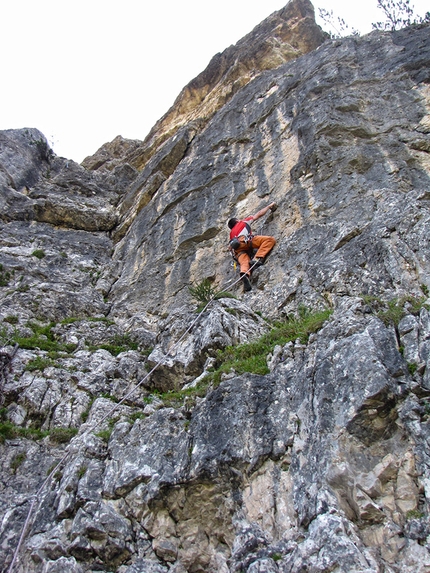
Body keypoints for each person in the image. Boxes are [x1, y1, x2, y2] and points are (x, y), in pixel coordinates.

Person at [228, 202, 277, 292]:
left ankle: (245, 274)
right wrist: (269, 206)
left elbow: (229, 247)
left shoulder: (231, 234)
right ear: (237, 221)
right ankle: (256, 259)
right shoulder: (242, 222)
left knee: (244, 262)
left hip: (236, 250)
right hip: (244, 241)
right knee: (269, 240)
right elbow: (258, 215)